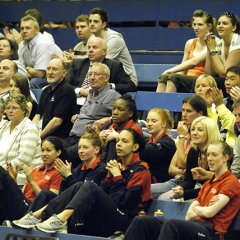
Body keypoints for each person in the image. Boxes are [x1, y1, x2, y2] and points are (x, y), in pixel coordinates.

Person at [13, 129, 152, 237]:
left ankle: (60, 220)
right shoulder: (115, 166)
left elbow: (124, 201)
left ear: (135, 147)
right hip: (104, 214)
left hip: (125, 221)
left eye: (124, 141)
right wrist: (67, 179)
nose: (119, 144)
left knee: (89, 186)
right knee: (62, 190)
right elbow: (102, 193)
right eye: (118, 141)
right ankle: (34, 217)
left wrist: (116, 177)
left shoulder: (140, 170)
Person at [124, 140, 240, 240]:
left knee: (172, 224)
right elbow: (189, 215)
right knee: (141, 221)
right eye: (208, 155)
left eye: (214, 155)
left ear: (225, 157)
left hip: (211, 232)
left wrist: (200, 209)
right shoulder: (208, 184)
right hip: (193, 225)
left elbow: (210, 213)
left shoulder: (231, 181)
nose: (209, 159)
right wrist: (203, 209)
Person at [12, 131, 107, 228]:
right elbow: (64, 194)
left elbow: (85, 193)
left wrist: (69, 176)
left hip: (90, 211)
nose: (81, 151)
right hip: (67, 207)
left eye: (85, 147)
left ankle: (36, 217)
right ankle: (27, 220)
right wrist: (65, 179)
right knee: (45, 194)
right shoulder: (78, 168)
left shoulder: (101, 170)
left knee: (82, 186)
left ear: (96, 150)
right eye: (79, 147)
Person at [63, 62, 121, 166]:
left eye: (97, 74)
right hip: (72, 137)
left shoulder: (113, 96)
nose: (92, 78)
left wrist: (109, 119)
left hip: (88, 141)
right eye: (90, 74)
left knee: (60, 154)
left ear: (106, 78)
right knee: (51, 147)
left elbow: (126, 115)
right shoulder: (90, 93)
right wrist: (79, 116)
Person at [151, 95, 208, 198]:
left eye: (189, 111)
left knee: (161, 197)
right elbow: (171, 169)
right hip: (176, 180)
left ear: (200, 114)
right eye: (183, 110)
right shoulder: (188, 134)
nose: (184, 114)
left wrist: (181, 137)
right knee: (144, 189)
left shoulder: (199, 137)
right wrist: (184, 172)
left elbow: (181, 163)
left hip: (190, 183)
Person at [0, 136, 64, 224]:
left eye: (48, 150)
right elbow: (22, 194)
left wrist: (32, 181)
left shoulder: (58, 172)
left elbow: (49, 201)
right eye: (42, 150)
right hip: (23, 205)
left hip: (33, 211)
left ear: (58, 152)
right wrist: (14, 179)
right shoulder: (35, 170)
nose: (44, 153)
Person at [161, 116, 222, 201]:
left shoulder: (220, 153)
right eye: (193, 129)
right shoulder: (194, 151)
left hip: (216, 193)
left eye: (200, 130)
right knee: (165, 198)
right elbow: (189, 181)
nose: (194, 133)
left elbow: (216, 186)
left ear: (210, 133)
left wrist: (184, 194)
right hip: (200, 190)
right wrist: (181, 188)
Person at [156, 10, 216, 93]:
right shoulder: (190, 43)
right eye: (194, 24)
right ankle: (157, 106)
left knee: (173, 78)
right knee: (164, 78)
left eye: (200, 25)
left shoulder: (215, 42)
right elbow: (183, 69)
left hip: (201, 81)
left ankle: (167, 106)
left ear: (209, 26)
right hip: (188, 80)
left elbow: (194, 62)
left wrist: (169, 71)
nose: (196, 28)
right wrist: (169, 75)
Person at [65, 37, 136, 107]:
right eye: (89, 47)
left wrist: (109, 86)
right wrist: (80, 91)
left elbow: (130, 86)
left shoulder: (114, 65)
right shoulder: (78, 63)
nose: (90, 50)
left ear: (104, 52)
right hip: (74, 103)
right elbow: (64, 84)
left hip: (99, 105)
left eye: (95, 47)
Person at [89, 8, 138, 87]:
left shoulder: (114, 39)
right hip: (106, 76)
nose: (91, 24)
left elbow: (102, 62)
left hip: (126, 81)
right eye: (90, 21)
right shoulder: (92, 39)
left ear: (104, 24)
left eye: (95, 21)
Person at [0, 94, 42, 184]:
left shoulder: (30, 128)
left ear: (23, 110)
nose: (10, 111)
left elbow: (23, 160)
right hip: (3, 173)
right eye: (8, 108)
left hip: (22, 176)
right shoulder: (4, 126)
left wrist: (1, 170)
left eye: (14, 108)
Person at [32, 59, 77, 139]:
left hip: (57, 138)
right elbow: (38, 115)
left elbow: (57, 121)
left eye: (55, 69)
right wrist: (30, 132)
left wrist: (38, 138)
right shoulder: (45, 90)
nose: (50, 72)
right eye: (48, 69)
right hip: (42, 134)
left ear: (64, 73)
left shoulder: (66, 90)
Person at [18, 15, 62, 89]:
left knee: (34, 82)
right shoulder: (23, 44)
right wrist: (30, 71)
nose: (24, 31)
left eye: (28, 28)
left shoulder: (43, 43)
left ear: (37, 30)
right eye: (22, 28)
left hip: (57, 77)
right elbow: (20, 70)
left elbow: (39, 74)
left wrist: (27, 68)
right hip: (39, 76)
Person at [97, 94, 142, 163]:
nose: (115, 113)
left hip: (126, 167)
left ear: (130, 114)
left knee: (113, 142)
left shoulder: (135, 130)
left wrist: (117, 137)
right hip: (102, 167)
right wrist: (97, 137)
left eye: (120, 110)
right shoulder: (108, 128)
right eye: (114, 108)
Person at [204, 12, 240, 97]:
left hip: (237, 82)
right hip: (230, 81)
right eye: (218, 23)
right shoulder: (220, 44)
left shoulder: (238, 41)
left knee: (205, 85)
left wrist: (213, 49)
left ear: (234, 27)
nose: (220, 26)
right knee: (204, 82)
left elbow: (224, 73)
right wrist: (209, 48)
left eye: (225, 23)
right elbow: (209, 74)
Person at [139, 108, 176, 183]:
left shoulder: (167, 143)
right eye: (147, 120)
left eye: (154, 121)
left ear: (163, 124)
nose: (149, 124)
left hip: (159, 182)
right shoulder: (147, 141)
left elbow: (148, 151)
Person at [205, 67, 239, 146]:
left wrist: (220, 106)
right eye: (226, 79)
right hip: (219, 147)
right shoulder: (223, 101)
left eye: (232, 79)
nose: (227, 82)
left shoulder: (220, 104)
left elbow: (235, 127)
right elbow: (215, 127)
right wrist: (209, 107)